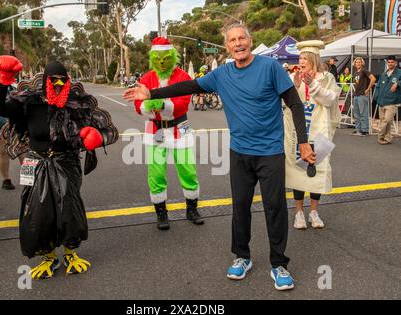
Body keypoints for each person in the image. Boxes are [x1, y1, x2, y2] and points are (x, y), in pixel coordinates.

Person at [123, 23, 315, 291]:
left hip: (270, 152)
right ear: (227, 46)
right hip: (239, 153)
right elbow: (187, 86)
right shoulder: (221, 74)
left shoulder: (270, 68)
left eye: (242, 39)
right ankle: (242, 257)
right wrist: (152, 93)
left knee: (275, 208)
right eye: (233, 40)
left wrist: (303, 143)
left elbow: (295, 103)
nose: (238, 44)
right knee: (240, 207)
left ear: (250, 41)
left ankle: (279, 263)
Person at [0, 55, 118, 279]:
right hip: (35, 161)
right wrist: (4, 80)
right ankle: (49, 257)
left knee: (69, 209)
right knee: (38, 213)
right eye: (54, 80)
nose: (58, 84)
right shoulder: (29, 102)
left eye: (63, 80)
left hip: (66, 162)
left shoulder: (76, 103)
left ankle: (70, 253)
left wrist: (96, 137)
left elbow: (103, 128)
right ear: (45, 81)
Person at [133, 37, 203, 230]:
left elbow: (182, 104)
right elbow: (138, 105)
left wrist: (162, 104)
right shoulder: (147, 78)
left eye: (165, 57)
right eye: (158, 58)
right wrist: (147, 106)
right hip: (155, 129)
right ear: (152, 57)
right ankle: (161, 212)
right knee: (156, 172)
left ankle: (192, 208)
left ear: (172, 55)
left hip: (180, 128)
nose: (161, 62)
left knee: (187, 169)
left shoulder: (183, 76)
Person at [284, 40, 341, 230]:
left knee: (317, 167)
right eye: (300, 58)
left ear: (314, 60)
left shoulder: (327, 78)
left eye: (304, 58)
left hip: (319, 130)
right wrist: (296, 84)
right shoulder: (294, 77)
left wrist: (313, 85)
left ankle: (314, 212)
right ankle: (299, 212)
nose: (301, 61)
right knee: (297, 169)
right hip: (299, 130)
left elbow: (330, 99)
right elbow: (287, 103)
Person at [374, 55, 401, 145]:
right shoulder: (384, 74)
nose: (390, 64)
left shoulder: (399, 73)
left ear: (396, 63)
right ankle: (388, 138)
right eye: (389, 62)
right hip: (381, 101)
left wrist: (397, 83)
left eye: (392, 62)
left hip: (392, 101)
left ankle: (380, 137)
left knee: (387, 120)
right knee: (383, 120)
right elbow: (378, 86)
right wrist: (376, 97)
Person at [351, 57, 376, 136]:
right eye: (356, 62)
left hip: (362, 95)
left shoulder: (364, 71)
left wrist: (368, 89)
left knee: (363, 113)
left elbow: (373, 79)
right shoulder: (355, 73)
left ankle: (365, 130)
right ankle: (358, 129)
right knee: (356, 113)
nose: (358, 63)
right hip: (356, 95)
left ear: (362, 63)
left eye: (359, 62)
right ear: (355, 64)